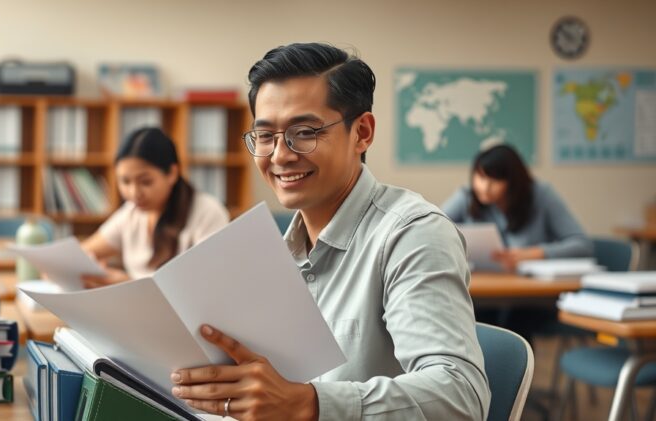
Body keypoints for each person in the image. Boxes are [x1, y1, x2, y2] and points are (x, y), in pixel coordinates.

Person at [169, 43, 489, 420]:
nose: (280, 155)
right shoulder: (268, 250)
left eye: (304, 132)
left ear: (362, 132)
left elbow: (461, 395)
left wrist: (307, 404)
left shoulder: (412, 234)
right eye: (266, 136)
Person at [79, 127, 229, 288]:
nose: (134, 193)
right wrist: (91, 270)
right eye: (125, 181)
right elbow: (81, 255)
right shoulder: (131, 214)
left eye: (146, 182)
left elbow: (206, 285)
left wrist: (127, 283)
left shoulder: (208, 212)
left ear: (172, 173)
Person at [441, 143, 593, 272]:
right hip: (477, 290)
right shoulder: (466, 196)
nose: (485, 187)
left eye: (495, 180)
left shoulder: (541, 195)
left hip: (529, 293)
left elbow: (582, 245)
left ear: (512, 181)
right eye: (480, 177)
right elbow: (430, 228)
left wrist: (533, 254)